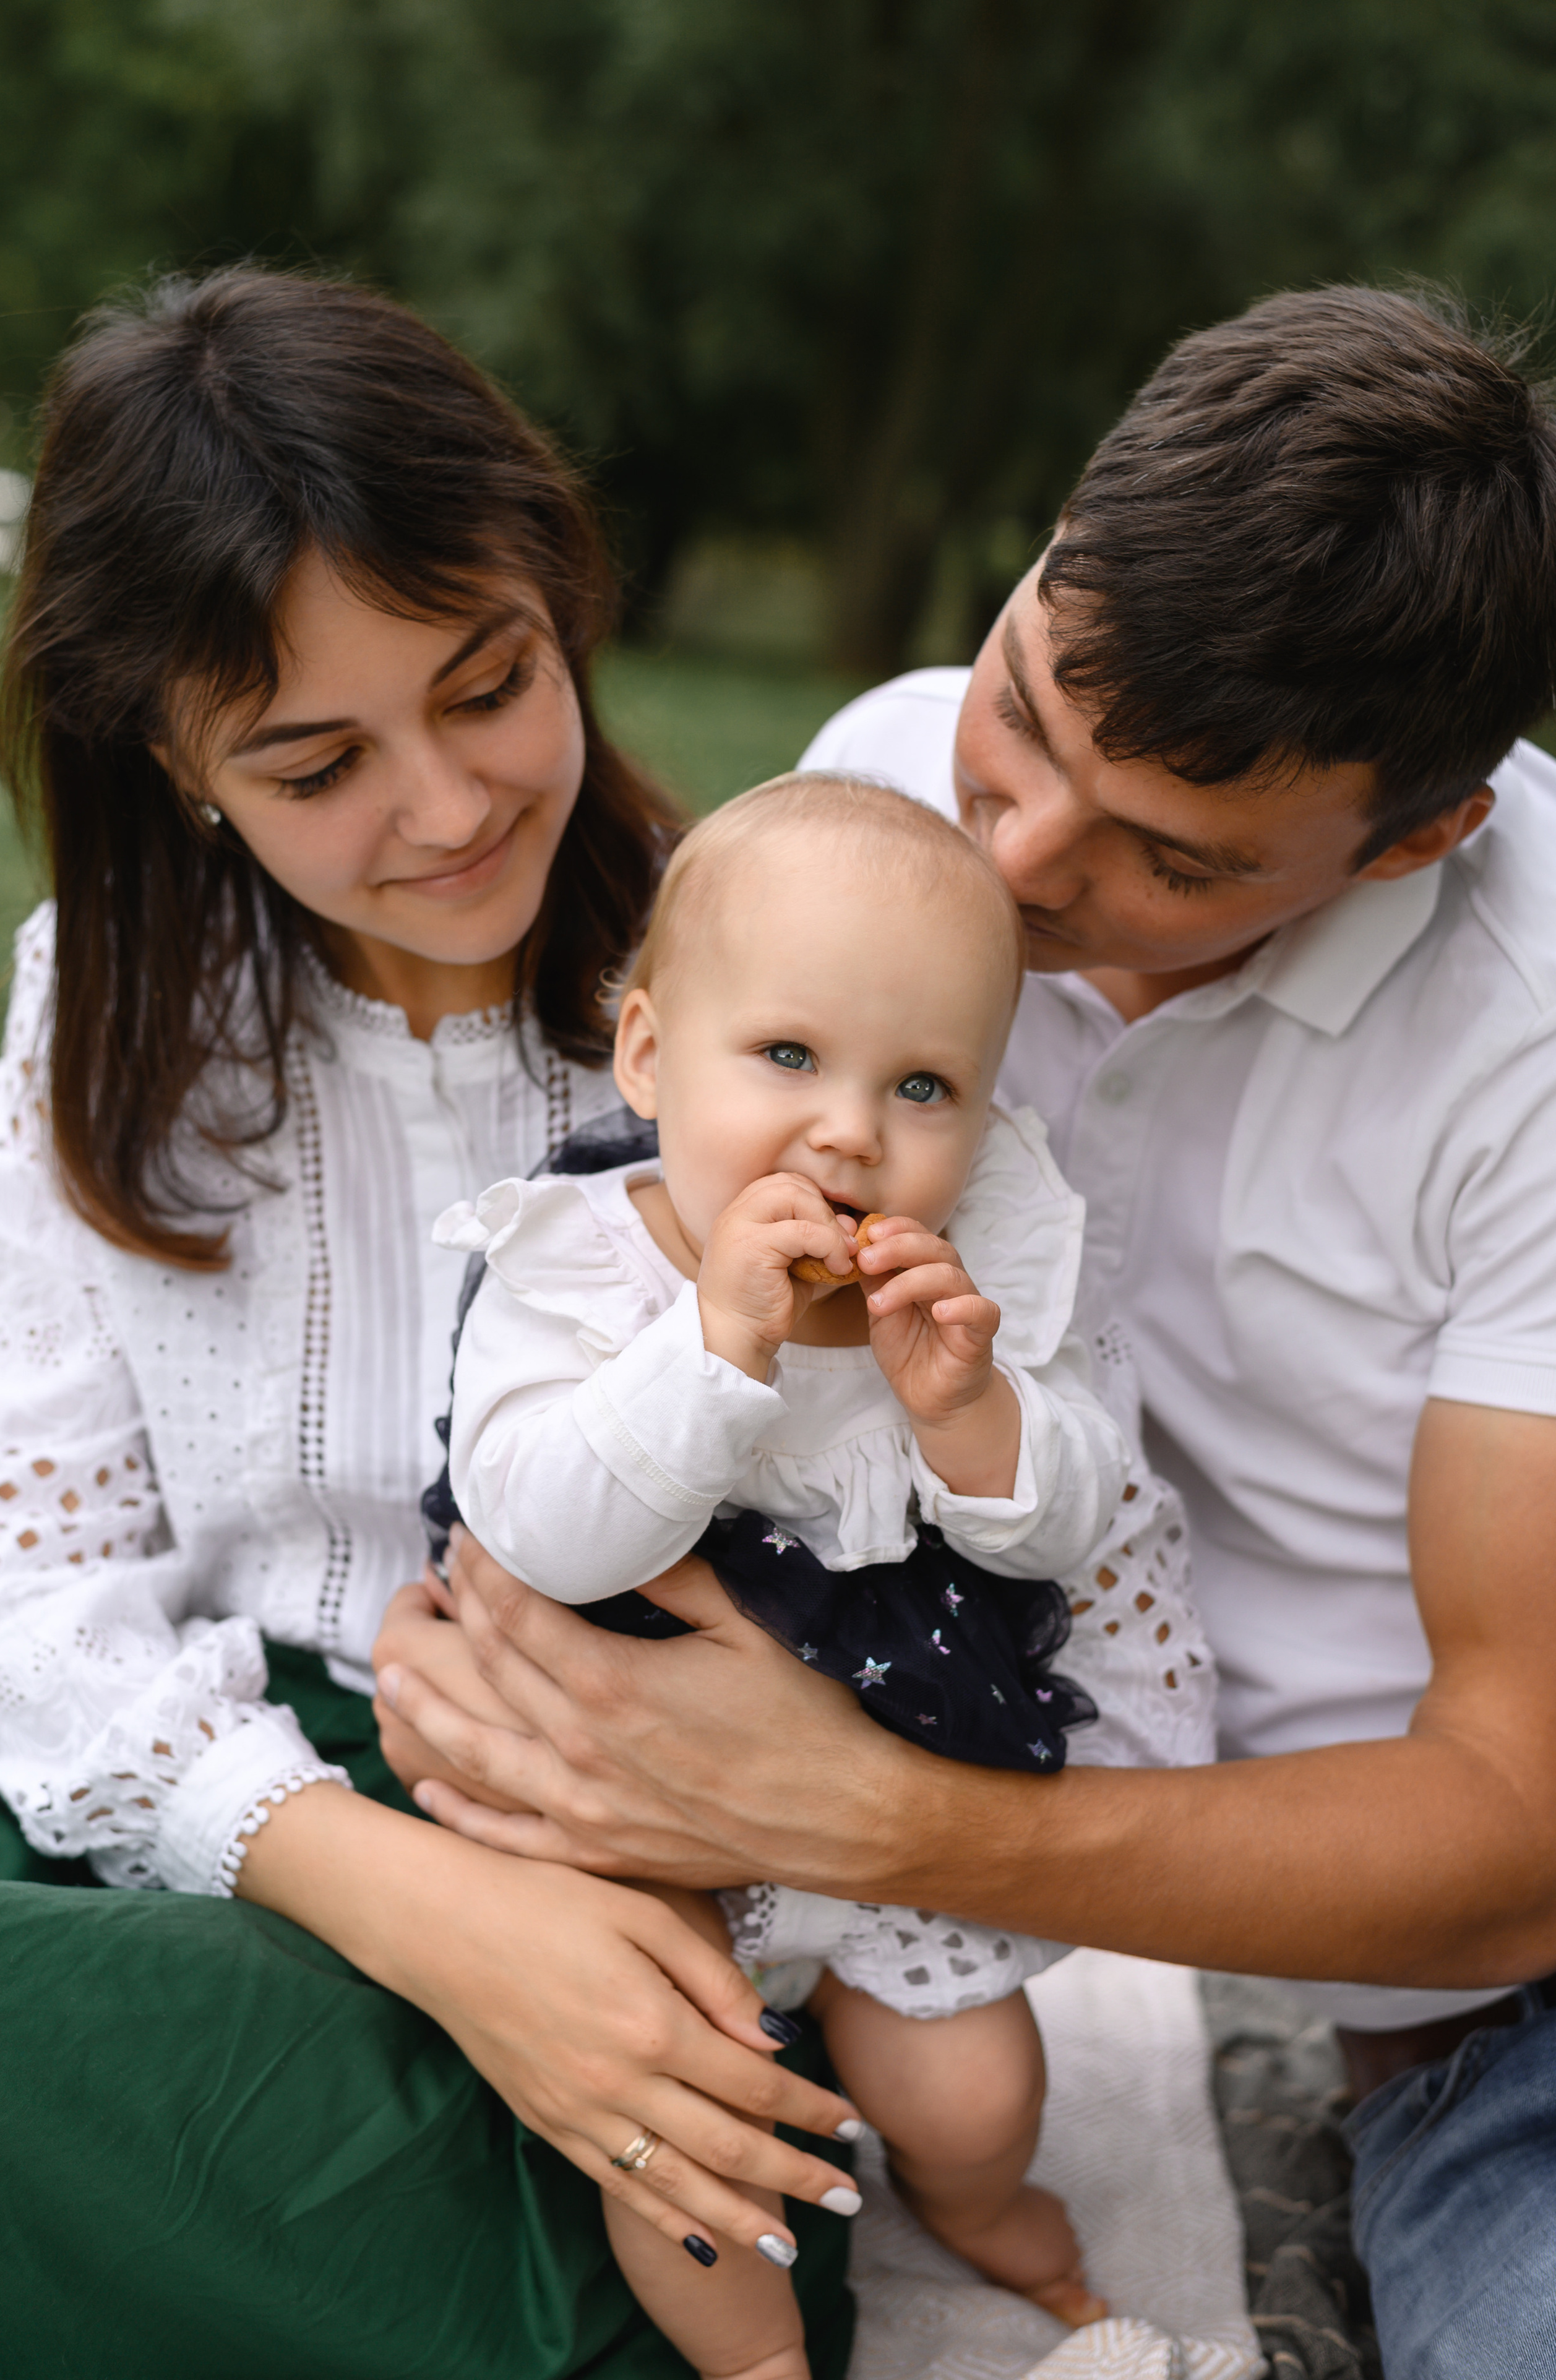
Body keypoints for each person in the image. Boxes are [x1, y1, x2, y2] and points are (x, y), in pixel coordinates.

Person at [372, 286, 1556, 2380]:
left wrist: (874, 1820)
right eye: (1024, 708)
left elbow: (1516, 1839)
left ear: (1418, 838)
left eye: (1171, 856)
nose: (1005, 861)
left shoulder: (1530, 1045)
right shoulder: (884, 783)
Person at [0, 266, 866, 2379]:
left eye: (489, 686)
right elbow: (27, 1611)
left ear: (563, 604)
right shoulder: (97, 1027)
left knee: (672, 2227)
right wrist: (419, 1910)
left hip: (624, 1863)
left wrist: (600, 1895)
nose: (450, 808)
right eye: (314, 761)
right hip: (204, 1831)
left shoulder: (776, 1002)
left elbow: (934, 1551)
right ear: (177, 765)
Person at [436, 771, 1217, 2374]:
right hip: (627, 1808)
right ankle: (757, 2360)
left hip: (887, 1783)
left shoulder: (972, 1286)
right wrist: (715, 1348)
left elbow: (1078, 1523)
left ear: (988, 1115)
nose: (851, 1131)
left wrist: (974, 1419)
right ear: (650, 1054)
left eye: (923, 1086)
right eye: (787, 1057)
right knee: (692, 2123)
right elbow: (542, 1529)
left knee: (978, 2093)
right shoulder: (574, 1263)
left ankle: (972, 2203)